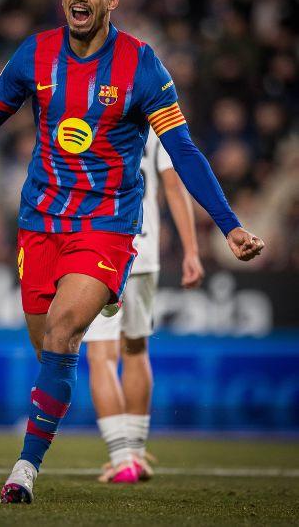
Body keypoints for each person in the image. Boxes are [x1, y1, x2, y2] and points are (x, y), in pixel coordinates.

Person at [0, 0, 264, 504]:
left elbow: (185, 152)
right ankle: (97, 299)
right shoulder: (36, 54)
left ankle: (24, 469)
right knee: (49, 348)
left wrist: (229, 226)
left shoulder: (143, 65)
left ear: (113, 0)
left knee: (61, 332)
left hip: (106, 222)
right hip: (41, 222)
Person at [83, 135, 204, 484]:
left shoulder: (90, 111)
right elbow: (173, 184)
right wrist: (191, 250)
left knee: (102, 355)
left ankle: (122, 460)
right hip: (144, 248)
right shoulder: (156, 116)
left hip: (99, 244)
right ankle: (135, 455)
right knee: (136, 348)